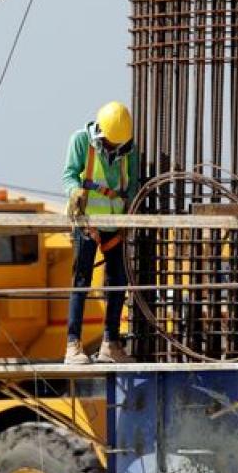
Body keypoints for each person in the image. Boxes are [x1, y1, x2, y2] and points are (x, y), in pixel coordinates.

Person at [62, 101, 138, 364]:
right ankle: (73, 345)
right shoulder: (82, 141)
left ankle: (111, 343)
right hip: (87, 223)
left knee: (118, 282)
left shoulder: (129, 149)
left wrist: (129, 210)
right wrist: (74, 194)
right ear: (100, 134)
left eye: (118, 145)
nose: (114, 149)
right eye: (110, 144)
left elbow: (132, 185)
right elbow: (69, 175)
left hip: (114, 224)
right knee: (82, 281)